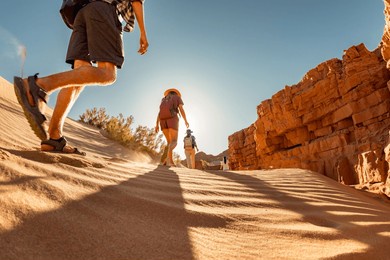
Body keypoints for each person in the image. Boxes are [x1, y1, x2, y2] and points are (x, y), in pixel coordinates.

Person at [13, 0, 148, 155]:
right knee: (107, 74)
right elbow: (137, 1)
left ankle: (54, 138)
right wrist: (143, 33)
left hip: (83, 13)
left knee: (78, 79)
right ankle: (39, 86)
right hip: (103, 10)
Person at [155, 88, 189, 166]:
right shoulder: (177, 97)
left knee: (169, 143)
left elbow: (159, 112)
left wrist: (156, 124)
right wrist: (185, 120)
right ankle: (169, 161)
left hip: (162, 120)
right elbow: (181, 108)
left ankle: (165, 161)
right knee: (174, 141)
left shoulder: (163, 99)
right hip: (172, 119)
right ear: (176, 93)